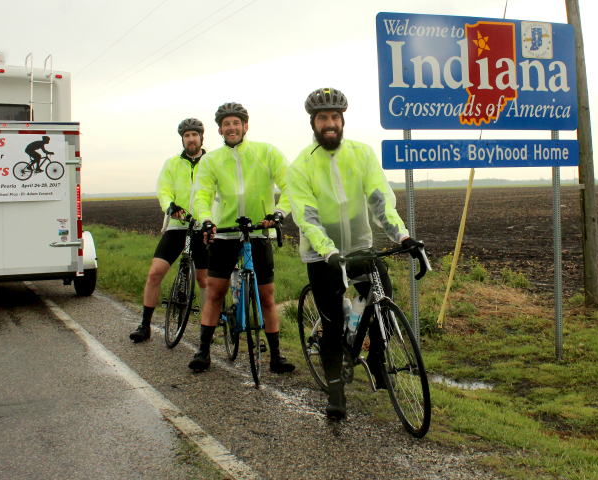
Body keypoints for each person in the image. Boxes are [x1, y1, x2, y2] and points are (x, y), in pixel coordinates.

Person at [287, 88, 423, 419]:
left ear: (342, 120)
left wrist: (402, 235)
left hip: (360, 246)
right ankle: (335, 390)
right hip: (323, 255)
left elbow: (380, 201)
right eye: (323, 118)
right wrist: (328, 251)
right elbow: (307, 218)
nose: (329, 123)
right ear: (313, 123)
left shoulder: (361, 154)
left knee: (384, 302)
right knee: (332, 325)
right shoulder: (301, 165)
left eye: (335, 117)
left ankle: (376, 355)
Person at [188, 102, 295, 374]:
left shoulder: (266, 152)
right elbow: (201, 195)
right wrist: (206, 220)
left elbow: (290, 185)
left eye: (236, 123)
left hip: (258, 232)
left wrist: (279, 213)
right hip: (224, 234)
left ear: (246, 126)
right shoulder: (211, 160)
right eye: (226, 124)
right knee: (215, 292)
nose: (231, 128)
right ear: (220, 130)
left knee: (267, 297)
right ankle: (203, 351)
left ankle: (276, 356)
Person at [130, 118, 209, 342]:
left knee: (204, 281)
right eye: (187, 136)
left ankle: (206, 329)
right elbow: (163, 189)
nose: (191, 139)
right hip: (177, 226)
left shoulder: (212, 162)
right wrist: (170, 207)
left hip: (203, 227)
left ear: (201, 137)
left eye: (195, 135)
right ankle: (145, 325)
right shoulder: (172, 163)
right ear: (182, 139)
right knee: (155, 272)